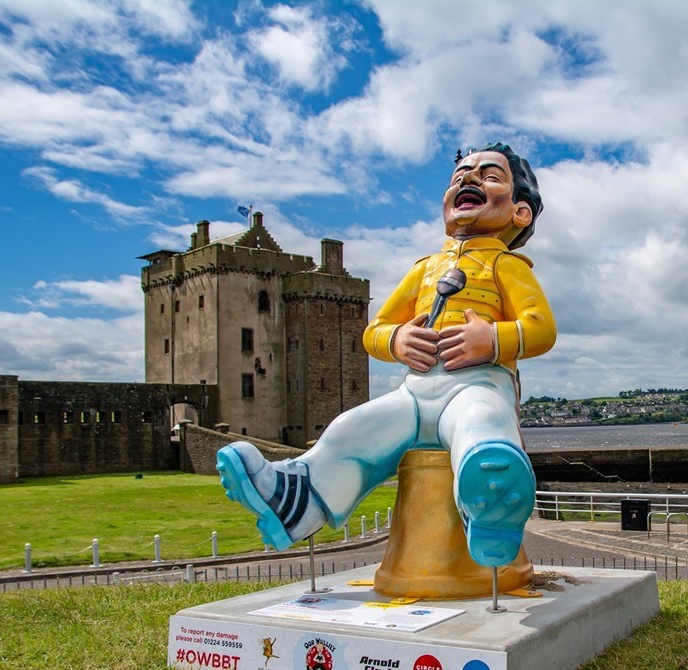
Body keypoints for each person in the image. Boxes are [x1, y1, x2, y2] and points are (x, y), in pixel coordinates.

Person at [216, 143, 556, 567]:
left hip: (478, 383)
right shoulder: (424, 269)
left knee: (482, 421)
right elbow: (374, 330)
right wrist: (396, 340)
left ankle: (490, 511)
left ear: (519, 212)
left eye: (489, 176)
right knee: (351, 428)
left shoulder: (509, 266)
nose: (468, 180)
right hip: (414, 394)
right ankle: (298, 499)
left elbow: (541, 327)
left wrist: (492, 339)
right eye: (459, 177)